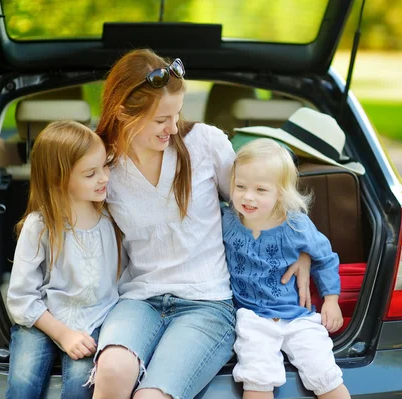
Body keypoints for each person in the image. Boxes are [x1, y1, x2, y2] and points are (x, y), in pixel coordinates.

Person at [91, 49, 311, 399]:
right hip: (139, 299)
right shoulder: (103, 164)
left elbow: (257, 203)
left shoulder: (205, 144)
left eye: (177, 114)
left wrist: (299, 248)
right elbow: (72, 225)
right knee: (113, 372)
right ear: (122, 113)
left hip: (207, 303)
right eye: (162, 119)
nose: (174, 127)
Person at [222, 138, 351, 399]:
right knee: (256, 378)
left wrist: (331, 300)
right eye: (240, 186)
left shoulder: (296, 226)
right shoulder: (226, 221)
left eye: (261, 190)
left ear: (280, 193)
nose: (248, 196)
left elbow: (325, 258)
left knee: (324, 373)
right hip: (253, 317)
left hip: (298, 317)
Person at [6, 121, 123, 399]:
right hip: (43, 319)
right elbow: (21, 298)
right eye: (90, 173)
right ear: (59, 178)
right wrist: (63, 334)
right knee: (23, 384)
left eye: (105, 166)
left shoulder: (111, 220)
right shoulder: (40, 225)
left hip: (94, 320)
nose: (104, 178)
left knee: (80, 387)